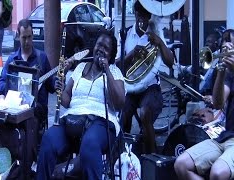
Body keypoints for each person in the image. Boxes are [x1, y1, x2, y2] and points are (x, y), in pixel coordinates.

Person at [36, 31, 126, 180]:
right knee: (49, 139)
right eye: (99, 45)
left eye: (106, 48)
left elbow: (119, 103)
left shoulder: (115, 72)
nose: (101, 49)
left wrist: (107, 70)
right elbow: (66, 100)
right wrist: (61, 87)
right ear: (94, 46)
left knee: (90, 143)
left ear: (111, 55)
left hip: (101, 122)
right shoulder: (80, 68)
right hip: (72, 119)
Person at [174, 29, 234, 180]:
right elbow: (219, 103)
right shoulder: (230, 73)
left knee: (217, 173)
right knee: (181, 164)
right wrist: (221, 70)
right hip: (225, 137)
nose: (228, 47)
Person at [117, 0, 174, 153]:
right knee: (123, 113)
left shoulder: (156, 32)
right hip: (130, 87)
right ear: (135, 14)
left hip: (151, 86)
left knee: (145, 113)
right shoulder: (126, 34)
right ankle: (123, 154)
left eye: (146, 17)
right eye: (139, 16)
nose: (142, 20)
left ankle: (151, 156)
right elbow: (116, 65)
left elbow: (170, 62)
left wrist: (160, 43)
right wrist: (132, 55)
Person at [0, 18, 56, 133]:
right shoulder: (12, 59)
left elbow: (51, 86)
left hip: (36, 110)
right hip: (15, 106)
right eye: (24, 38)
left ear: (33, 35)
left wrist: (57, 82)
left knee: (28, 119)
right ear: (18, 36)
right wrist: (13, 87)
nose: (27, 41)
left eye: (29, 37)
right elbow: (0, 84)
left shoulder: (41, 58)